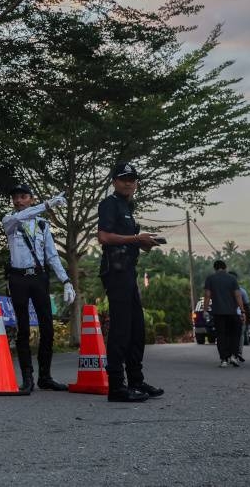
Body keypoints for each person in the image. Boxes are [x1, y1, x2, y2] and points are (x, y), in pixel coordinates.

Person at [96, 162, 164, 402]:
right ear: (114, 181)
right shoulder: (109, 204)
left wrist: (142, 243)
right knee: (122, 327)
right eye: (124, 178)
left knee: (136, 328)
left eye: (132, 179)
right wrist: (136, 237)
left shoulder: (127, 206)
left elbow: (126, 240)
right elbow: (103, 237)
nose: (128, 182)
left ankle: (136, 380)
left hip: (127, 271)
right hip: (115, 272)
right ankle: (116, 386)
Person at [2, 184, 76, 392]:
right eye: (15, 197)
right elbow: (22, 216)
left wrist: (66, 281)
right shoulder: (10, 221)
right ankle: (27, 379)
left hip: (39, 278)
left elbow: (52, 256)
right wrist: (48, 204)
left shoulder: (43, 225)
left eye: (23, 196)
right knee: (23, 329)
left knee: (48, 328)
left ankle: (46, 376)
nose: (18, 201)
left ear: (31, 199)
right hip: (18, 279)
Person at [204, 261, 246, 367]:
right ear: (225, 268)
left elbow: (207, 295)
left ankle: (224, 360)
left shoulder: (210, 279)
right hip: (232, 313)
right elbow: (238, 295)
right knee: (234, 335)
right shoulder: (232, 279)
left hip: (218, 313)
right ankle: (233, 356)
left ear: (215, 268)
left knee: (221, 336)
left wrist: (205, 310)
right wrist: (242, 311)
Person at [230, 271, 250, 363]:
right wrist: (246, 317)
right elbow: (247, 306)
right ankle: (238, 353)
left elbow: (246, 306)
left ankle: (231, 354)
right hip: (238, 316)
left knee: (230, 335)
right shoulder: (242, 291)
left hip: (230, 316)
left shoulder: (223, 292)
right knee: (239, 335)